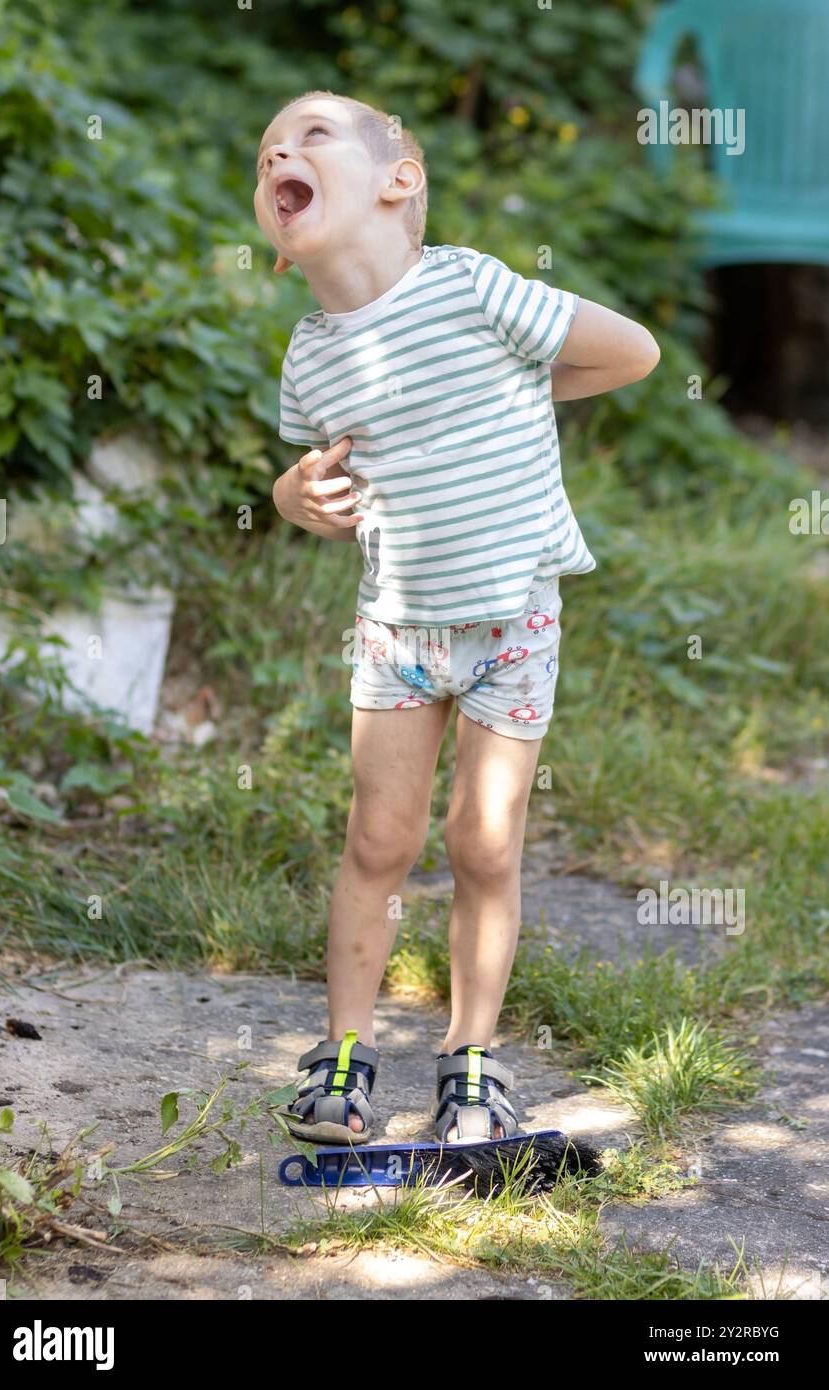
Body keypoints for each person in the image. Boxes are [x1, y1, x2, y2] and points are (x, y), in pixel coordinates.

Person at [254, 89, 660, 1146]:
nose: (279, 155)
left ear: (400, 181)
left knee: (482, 842)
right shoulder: (310, 354)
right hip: (395, 627)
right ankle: (343, 1056)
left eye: (311, 137)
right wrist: (297, 501)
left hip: (510, 620)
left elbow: (634, 353)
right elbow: (314, 476)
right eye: (265, 156)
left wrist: (519, 384)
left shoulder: (474, 289)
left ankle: (469, 1059)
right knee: (377, 837)